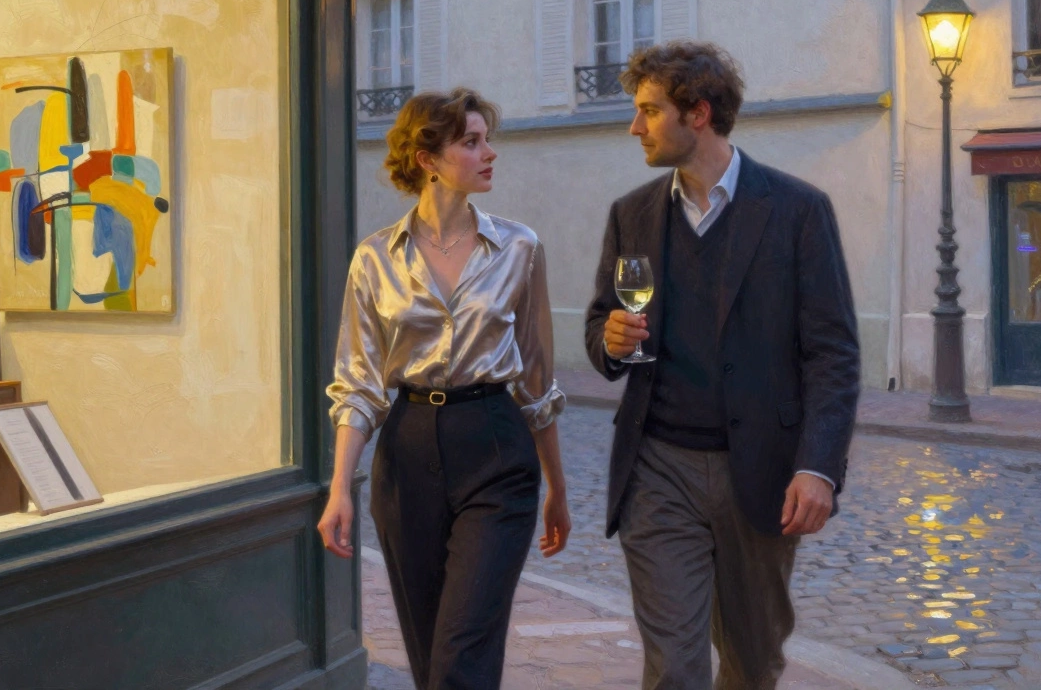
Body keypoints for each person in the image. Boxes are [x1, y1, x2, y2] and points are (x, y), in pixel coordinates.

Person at [584, 42, 860, 689]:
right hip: (658, 468)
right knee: (676, 667)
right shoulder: (632, 215)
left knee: (752, 661)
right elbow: (601, 330)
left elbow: (834, 355)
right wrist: (612, 339)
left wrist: (817, 466)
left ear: (698, 112)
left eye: (649, 111)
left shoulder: (798, 212)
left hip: (760, 472)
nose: (635, 127)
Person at [317, 88, 571, 690]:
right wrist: (339, 490)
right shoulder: (374, 259)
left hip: (495, 447)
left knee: (462, 652)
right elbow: (357, 383)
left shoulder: (520, 247)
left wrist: (557, 486)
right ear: (428, 158)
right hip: (407, 452)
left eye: (487, 140)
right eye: (472, 142)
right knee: (430, 654)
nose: (490, 153)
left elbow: (536, 377)